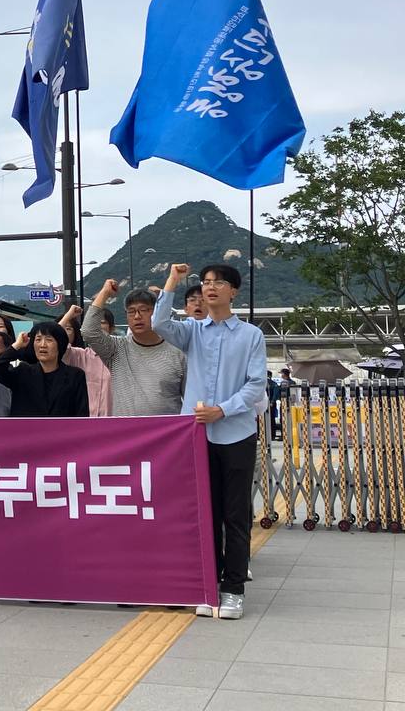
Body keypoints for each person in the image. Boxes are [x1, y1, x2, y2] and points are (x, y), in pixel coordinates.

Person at [155, 263, 267, 621]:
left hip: (236, 434)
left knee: (235, 515)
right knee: (205, 513)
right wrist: (172, 281)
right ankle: (209, 585)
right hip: (197, 436)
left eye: (218, 283)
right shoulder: (192, 331)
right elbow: (159, 323)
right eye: (205, 283)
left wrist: (223, 410)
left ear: (233, 291)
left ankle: (233, 589)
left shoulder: (251, 335)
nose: (210, 288)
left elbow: (256, 384)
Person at [81, 280, 186, 416]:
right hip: (126, 428)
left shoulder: (178, 353)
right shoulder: (116, 349)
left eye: (144, 310)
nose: (137, 316)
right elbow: (88, 331)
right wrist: (105, 293)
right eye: (131, 311)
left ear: (157, 312)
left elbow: (190, 398)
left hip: (168, 428)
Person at [0, 323, 88, 417]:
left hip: (64, 430)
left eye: (49, 340)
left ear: (60, 344)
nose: (42, 345)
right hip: (27, 430)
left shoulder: (75, 376)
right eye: (38, 340)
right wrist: (17, 345)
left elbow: (82, 414)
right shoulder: (22, 372)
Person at [59, 306, 113, 417]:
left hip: (114, 421)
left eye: (102, 322)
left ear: (111, 328)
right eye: (93, 323)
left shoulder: (120, 357)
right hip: (84, 422)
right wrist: (68, 315)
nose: (97, 326)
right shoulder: (79, 356)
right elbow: (55, 339)